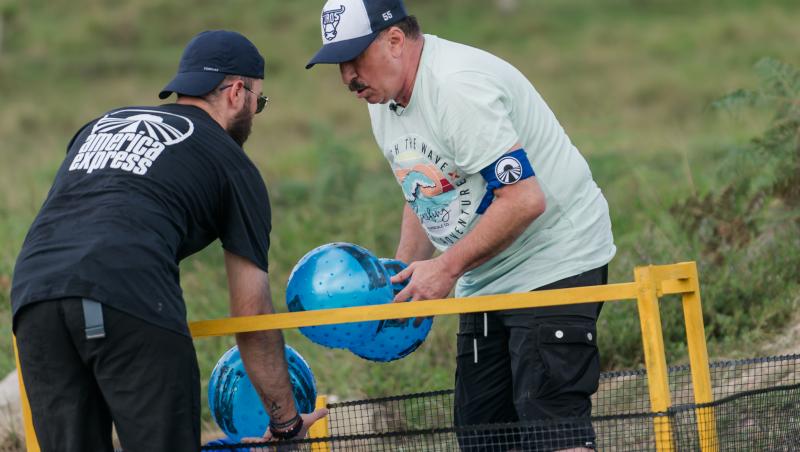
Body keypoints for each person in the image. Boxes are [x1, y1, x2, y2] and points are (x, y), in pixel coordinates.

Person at [306, 1, 615, 450]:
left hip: (555, 260)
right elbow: (423, 186)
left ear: (394, 41)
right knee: (482, 434)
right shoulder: (385, 97)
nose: (348, 78)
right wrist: (403, 276)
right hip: (486, 276)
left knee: (551, 425)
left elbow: (525, 199)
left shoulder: (455, 88)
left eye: (355, 59)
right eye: (339, 64)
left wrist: (447, 268)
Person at [11, 30, 326, 452]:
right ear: (237, 91)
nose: (256, 111)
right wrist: (286, 422)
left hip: (35, 295)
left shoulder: (100, 125)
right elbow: (251, 316)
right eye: (260, 102)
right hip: (127, 290)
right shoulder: (233, 164)